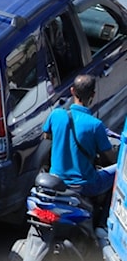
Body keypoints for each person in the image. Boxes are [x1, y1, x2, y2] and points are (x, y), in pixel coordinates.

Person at [43, 73, 117, 222]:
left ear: (72, 90)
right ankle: (103, 223)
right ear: (93, 95)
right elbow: (110, 157)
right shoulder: (95, 125)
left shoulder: (56, 114)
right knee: (118, 170)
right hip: (85, 185)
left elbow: (47, 136)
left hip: (56, 180)